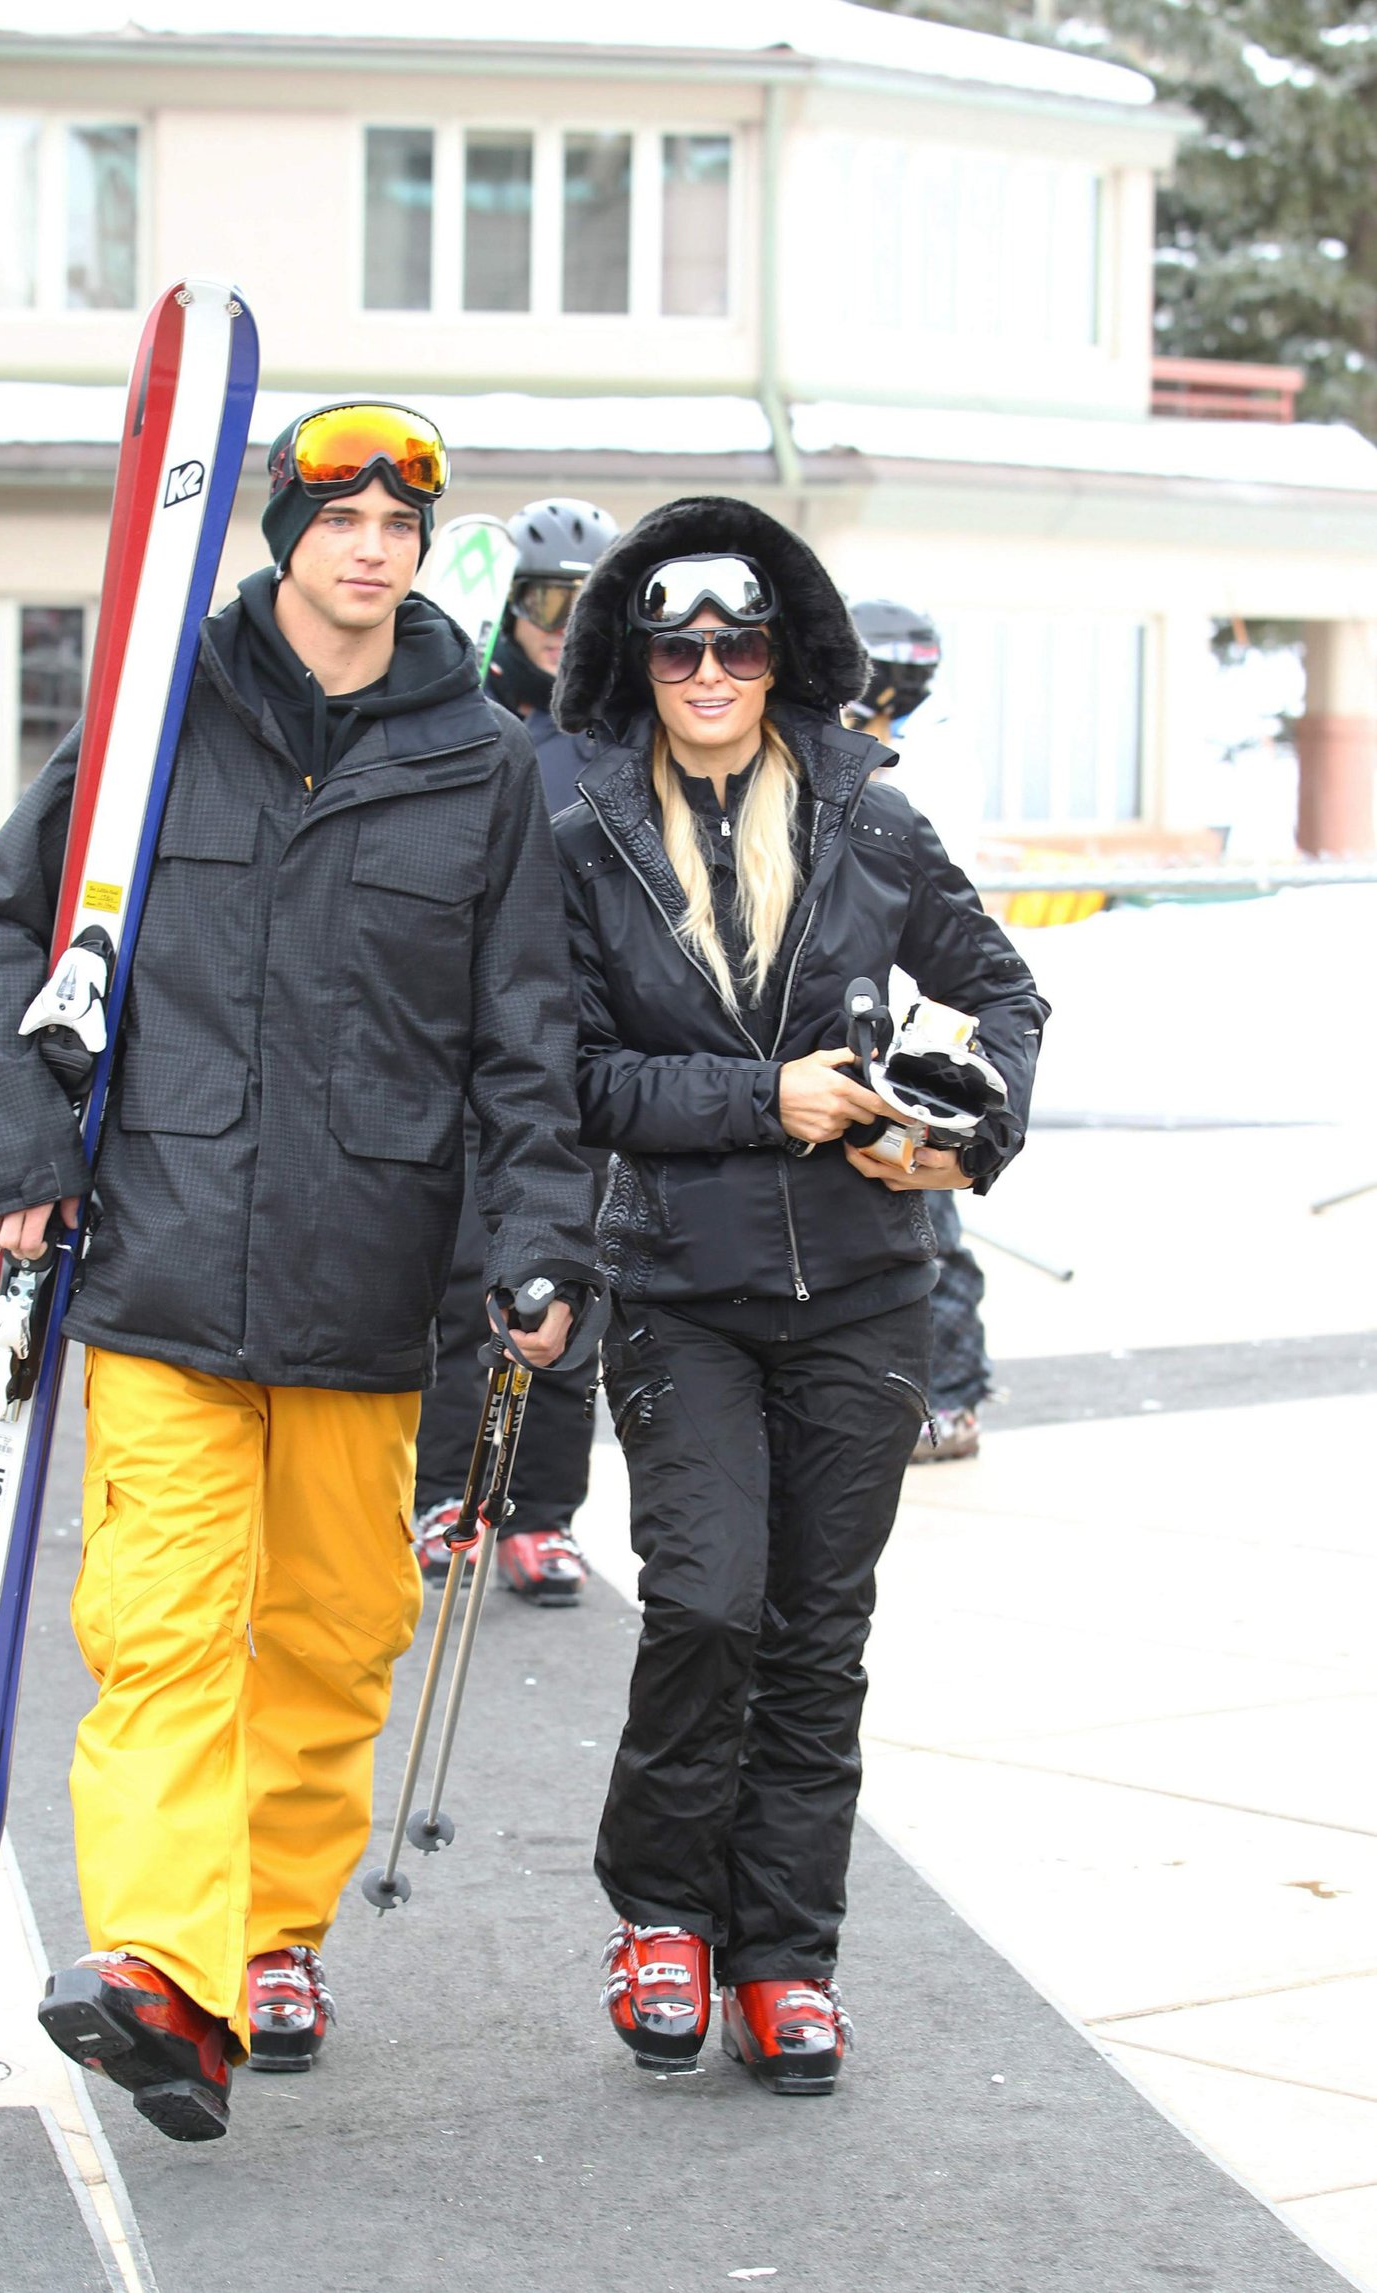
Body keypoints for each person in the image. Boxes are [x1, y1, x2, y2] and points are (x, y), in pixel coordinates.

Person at [0, 401, 600, 2142]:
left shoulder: (480, 766)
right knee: (158, 1628)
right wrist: (22, 1160)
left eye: (401, 519)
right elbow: (6, 924)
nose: (371, 544)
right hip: (157, 1258)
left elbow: (530, 1041)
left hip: (369, 1280)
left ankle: (274, 1930)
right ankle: (164, 1963)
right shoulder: (158, 723)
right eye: (341, 513)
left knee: (326, 1631)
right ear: (281, 533)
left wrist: (535, 1239)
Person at [549, 501, 1046, 2094]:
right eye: (678, 644)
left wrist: (966, 1136)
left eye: (738, 643)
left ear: (782, 660)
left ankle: (783, 1955)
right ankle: (662, 1921)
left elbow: (1001, 993)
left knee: (818, 1633)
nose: (707, 669)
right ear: (639, 658)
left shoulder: (870, 823)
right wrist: (763, 1101)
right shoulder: (582, 836)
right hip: (679, 1283)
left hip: (860, 1287)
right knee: (706, 1602)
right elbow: (571, 1074)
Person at [413, 497, 618, 1605]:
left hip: (583, 1051)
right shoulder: (472, 727)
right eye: (543, 602)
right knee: (460, 1286)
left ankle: (542, 1513)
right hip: (472, 1040)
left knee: (566, 1285)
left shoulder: (629, 740)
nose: (562, 626)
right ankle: (450, 1493)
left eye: (586, 607)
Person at [849, 599, 992, 1462]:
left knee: (925, 1207)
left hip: (921, 1018)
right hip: (859, 1007)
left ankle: (953, 1396)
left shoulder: (929, 753)